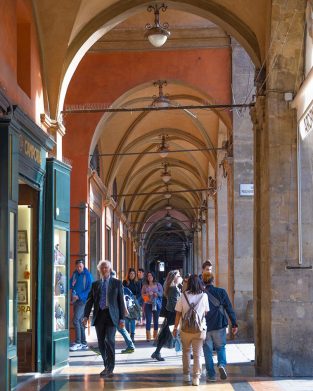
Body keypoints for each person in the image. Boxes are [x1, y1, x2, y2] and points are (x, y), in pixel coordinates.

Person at [82, 260, 125, 378]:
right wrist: (85, 316)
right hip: (99, 315)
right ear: (99, 270)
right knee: (101, 343)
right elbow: (89, 301)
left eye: (106, 267)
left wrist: (122, 319)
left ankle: (110, 367)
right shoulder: (95, 285)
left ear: (110, 269)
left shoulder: (117, 283)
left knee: (109, 340)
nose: (104, 270)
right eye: (102, 268)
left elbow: (121, 302)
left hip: (112, 316)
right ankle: (106, 365)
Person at [173, 274, 209, 386]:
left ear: (188, 284)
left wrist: (175, 328)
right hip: (199, 329)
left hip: (185, 329)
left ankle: (186, 375)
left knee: (186, 352)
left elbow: (178, 313)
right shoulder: (204, 296)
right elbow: (206, 312)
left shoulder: (183, 296)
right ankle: (196, 378)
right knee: (198, 354)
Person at [202, 272, 238, 382]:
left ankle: (211, 375)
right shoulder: (221, 292)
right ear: (213, 280)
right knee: (220, 347)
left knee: (207, 350)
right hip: (219, 324)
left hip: (206, 325)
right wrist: (234, 323)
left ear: (203, 281)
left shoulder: (201, 293)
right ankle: (221, 364)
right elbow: (229, 308)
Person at [151, 270, 182, 361]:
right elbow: (173, 303)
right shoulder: (173, 289)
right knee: (177, 333)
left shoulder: (173, 287)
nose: (180, 277)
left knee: (166, 333)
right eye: (178, 275)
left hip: (171, 314)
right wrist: (179, 312)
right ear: (174, 278)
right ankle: (187, 352)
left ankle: (157, 352)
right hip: (173, 314)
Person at [69, 259, 93, 351]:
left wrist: (79, 296)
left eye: (81, 266)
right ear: (75, 266)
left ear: (83, 266)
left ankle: (78, 342)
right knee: (80, 321)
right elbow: (71, 284)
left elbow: (89, 289)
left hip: (83, 301)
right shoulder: (75, 274)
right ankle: (83, 343)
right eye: (78, 266)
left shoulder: (87, 275)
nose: (79, 268)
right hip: (76, 301)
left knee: (75, 320)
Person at [110, 270, 135, 354]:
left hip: (116, 312)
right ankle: (103, 347)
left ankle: (131, 346)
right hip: (112, 311)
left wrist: (125, 309)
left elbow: (122, 298)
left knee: (120, 329)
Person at [141, 271, 163, 341]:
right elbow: (142, 295)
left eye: (151, 275)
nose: (149, 277)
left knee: (156, 320)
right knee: (148, 320)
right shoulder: (145, 286)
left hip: (156, 304)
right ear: (147, 278)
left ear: (153, 277)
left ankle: (155, 335)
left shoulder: (158, 285)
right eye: (148, 276)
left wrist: (156, 294)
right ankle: (148, 336)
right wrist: (147, 296)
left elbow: (162, 293)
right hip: (148, 304)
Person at [123, 268, 140, 341]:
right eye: (130, 274)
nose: (132, 275)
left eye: (133, 274)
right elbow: (122, 291)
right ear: (128, 274)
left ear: (135, 275)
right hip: (126, 301)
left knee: (132, 319)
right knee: (126, 319)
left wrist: (137, 300)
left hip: (134, 302)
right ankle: (127, 334)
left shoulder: (137, 282)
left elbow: (139, 293)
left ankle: (132, 335)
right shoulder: (125, 282)